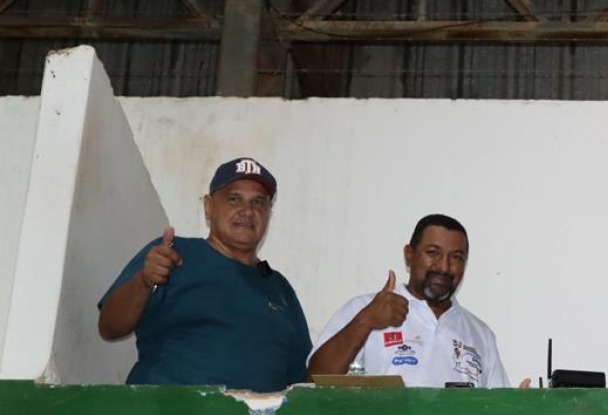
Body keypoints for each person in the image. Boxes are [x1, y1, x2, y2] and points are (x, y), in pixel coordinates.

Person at [98, 157, 311, 391]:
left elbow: (302, 380)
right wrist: (144, 281)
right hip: (167, 411)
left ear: (269, 212)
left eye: (258, 202)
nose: (248, 211)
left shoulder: (280, 289)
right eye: (234, 199)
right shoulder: (172, 253)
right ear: (208, 207)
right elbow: (109, 327)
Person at [308, 214, 517, 388]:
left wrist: (515, 407)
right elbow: (314, 380)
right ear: (409, 255)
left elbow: (495, 410)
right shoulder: (364, 309)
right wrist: (366, 321)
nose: (444, 267)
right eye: (433, 253)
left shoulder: (480, 334)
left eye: (456, 257)